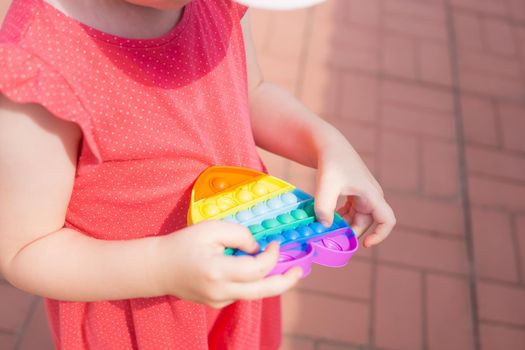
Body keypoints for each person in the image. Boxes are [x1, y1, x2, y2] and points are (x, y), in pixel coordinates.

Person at [0, 0, 396, 349]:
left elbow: (251, 91)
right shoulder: (40, 68)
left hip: (232, 268)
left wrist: (327, 145)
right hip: (138, 304)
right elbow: (24, 251)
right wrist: (161, 267)